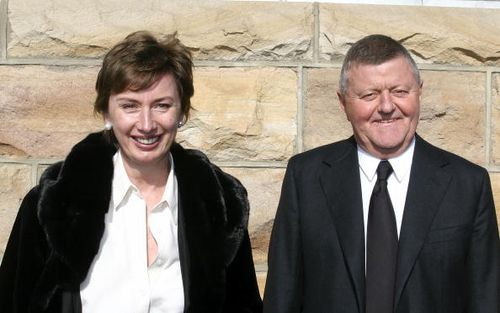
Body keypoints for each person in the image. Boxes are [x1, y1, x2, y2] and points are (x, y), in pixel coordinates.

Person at [0, 31, 263, 313]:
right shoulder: (53, 204)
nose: (147, 124)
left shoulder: (221, 204)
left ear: (182, 112)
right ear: (106, 113)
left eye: (162, 105)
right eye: (130, 106)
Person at [263, 34, 499, 313]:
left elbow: (486, 300)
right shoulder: (306, 178)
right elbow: (282, 294)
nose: (387, 107)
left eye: (400, 91)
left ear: (419, 91)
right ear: (343, 103)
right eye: (369, 95)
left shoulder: (467, 185)